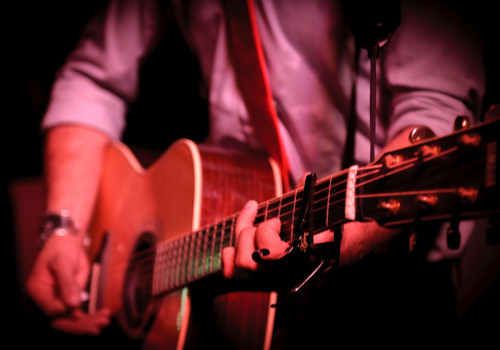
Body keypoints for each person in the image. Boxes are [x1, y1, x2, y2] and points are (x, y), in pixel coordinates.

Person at [26, 0, 485, 346]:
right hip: (224, 237)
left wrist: (322, 245)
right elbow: (91, 78)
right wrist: (62, 228)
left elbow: (434, 115)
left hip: (385, 288)